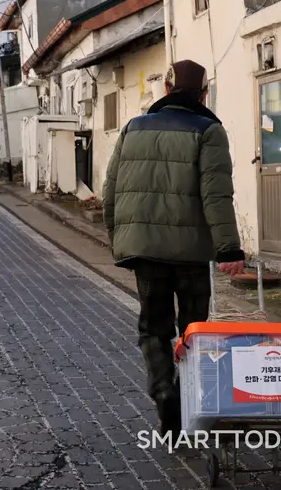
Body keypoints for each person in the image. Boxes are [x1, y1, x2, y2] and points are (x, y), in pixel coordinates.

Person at [103, 60, 245, 435]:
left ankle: (164, 393)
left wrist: (119, 237)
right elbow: (217, 194)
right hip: (192, 255)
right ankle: (186, 401)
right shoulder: (209, 130)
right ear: (203, 94)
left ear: (166, 91)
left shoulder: (133, 127)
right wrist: (229, 249)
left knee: (154, 328)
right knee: (194, 330)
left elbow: (110, 189)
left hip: (145, 252)